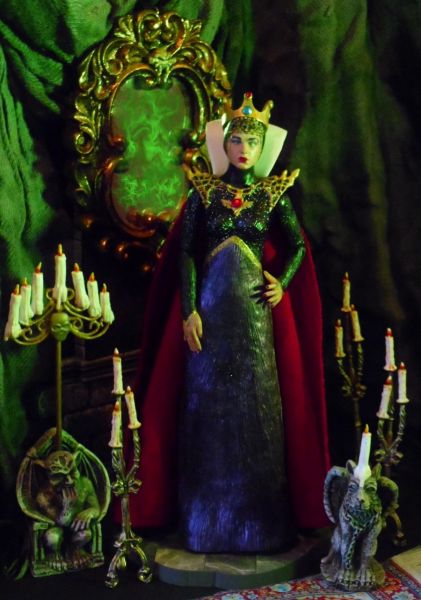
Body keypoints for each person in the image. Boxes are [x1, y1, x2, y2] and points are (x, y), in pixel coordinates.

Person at [129, 93, 330, 554]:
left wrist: (282, 283)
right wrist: (189, 312)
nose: (243, 149)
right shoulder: (205, 195)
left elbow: (297, 246)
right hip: (210, 316)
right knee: (204, 406)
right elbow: (185, 251)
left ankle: (263, 523)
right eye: (236, 140)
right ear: (225, 144)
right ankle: (204, 521)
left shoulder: (271, 196)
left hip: (255, 319)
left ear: (261, 148)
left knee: (259, 407)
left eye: (251, 142)